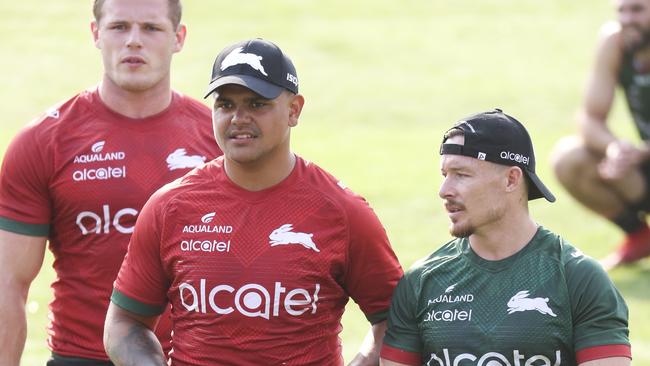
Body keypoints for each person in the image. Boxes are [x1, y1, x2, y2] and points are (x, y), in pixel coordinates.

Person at [103, 38, 404, 365]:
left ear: (294, 110)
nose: (238, 118)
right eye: (225, 105)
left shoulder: (343, 213)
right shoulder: (170, 207)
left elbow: (397, 325)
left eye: (257, 104)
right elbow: (124, 323)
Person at [0, 0, 222, 364]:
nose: (134, 41)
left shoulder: (219, 141)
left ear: (179, 38)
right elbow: (8, 285)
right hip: (82, 357)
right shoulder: (43, 142)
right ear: (96, 34)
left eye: (151, 28)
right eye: (119, 27)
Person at [380, 109, 632, 366]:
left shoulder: (577, 278)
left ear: (511, 179)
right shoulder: (422, 282)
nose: (444, 190)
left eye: (462, 175)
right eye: (445, 175)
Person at [551, 0, 650, 269]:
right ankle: (640, 237)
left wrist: (642, 151)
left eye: (638, 10)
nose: (627, 19)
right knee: (569, 159)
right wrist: (614, 148)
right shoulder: (616, 42)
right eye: (621, 10)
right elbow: (589, 118)